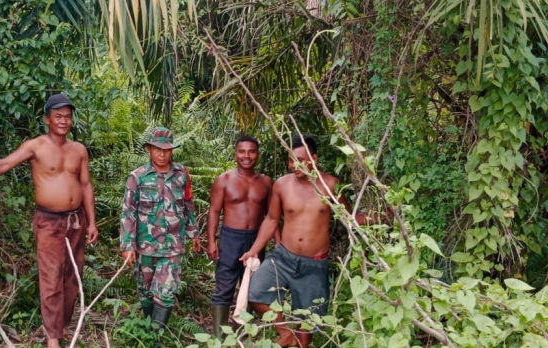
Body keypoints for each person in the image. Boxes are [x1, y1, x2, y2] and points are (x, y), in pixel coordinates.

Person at [0, 93, 98, 348]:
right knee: (51, 276)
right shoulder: (35, 146)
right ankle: (53, 338)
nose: (63, 121)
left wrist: (92, 222)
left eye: (67, 117)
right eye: (58, 116)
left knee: (72, 275)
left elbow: (85, 185)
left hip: (76, 221)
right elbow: (3, 165)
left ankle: (62, 325)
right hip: (49, 221)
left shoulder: (79, 150)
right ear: (47, 119)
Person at [239, 134, 370, 348]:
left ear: (314, 158)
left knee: (307, 325)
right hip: (283, 258)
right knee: (256, 294)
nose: (294, 165)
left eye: (300, 160)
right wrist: (254, 250)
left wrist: (378, 218)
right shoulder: (282, 184)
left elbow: (349, 218)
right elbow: (271, 219)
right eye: (291, 160)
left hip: (314, 265)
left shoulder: (330, 185)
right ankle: (285, 334)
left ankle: (298, 340)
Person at [119, 127, 202, 329]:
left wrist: (194, 233)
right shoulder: (137, 177)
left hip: (173, 245)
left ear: (172, 150)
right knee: (145, 291)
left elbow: (188, 204)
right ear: (149, 149)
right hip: (145, 245)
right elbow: (128, 212)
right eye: (157, 149)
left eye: (166, 150)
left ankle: (156, 336)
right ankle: (149, 330)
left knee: (166, 292)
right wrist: (127, 246)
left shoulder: (182, 174)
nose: (162, 154)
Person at [206, 135, 278, 337]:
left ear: (258, 154)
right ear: (235, 154)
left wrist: (278, 241)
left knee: (252, 288)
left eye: (251, 151)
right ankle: (218, 338)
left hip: (256, 239)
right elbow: (214, 211)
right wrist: (211, 241)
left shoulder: (266, 182)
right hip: (230, 238)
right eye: (242, 151)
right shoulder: (224, 180)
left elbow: (272, 216)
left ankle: (239, 335)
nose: (247, 156)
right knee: (224, 288)